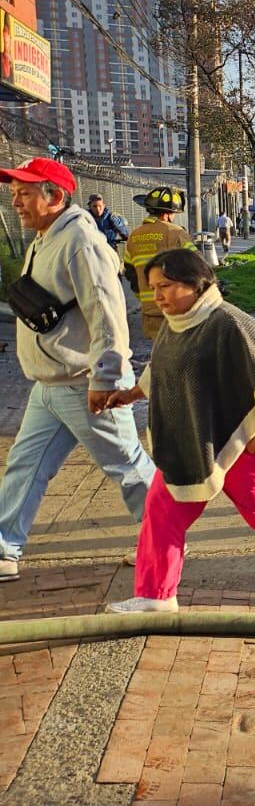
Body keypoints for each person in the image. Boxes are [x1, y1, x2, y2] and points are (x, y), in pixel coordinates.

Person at [101, 249, 255, 612]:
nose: (157, 296)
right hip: (195, 437)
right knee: (162, 508)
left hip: (248, 439)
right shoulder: (174, 323)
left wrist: (254, 433)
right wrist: (127, 396)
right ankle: (155, 595)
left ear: (195, 284)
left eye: (166, 286)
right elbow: (160, 372)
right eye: (153, 287)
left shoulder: (230, 323)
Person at [0, 157, 154, 582]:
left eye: (25, 193)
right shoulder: (45, 238)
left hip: (85, 382)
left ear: (56, 196)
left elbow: (107, 314)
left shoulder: (81, 242)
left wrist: (104, 379)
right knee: (24, 466)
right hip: (49, 384)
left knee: (129, 467)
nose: (16, 202)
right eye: (14, 193)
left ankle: (164, 538)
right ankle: (4, 548)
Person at [124, 187, 194, 340]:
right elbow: (197, 266)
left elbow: (130, 274)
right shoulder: (176, 233)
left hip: (150, 311)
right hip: (176, 309)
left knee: (160, 354)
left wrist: (144, 298)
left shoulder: (134, 236)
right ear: (167, 214)